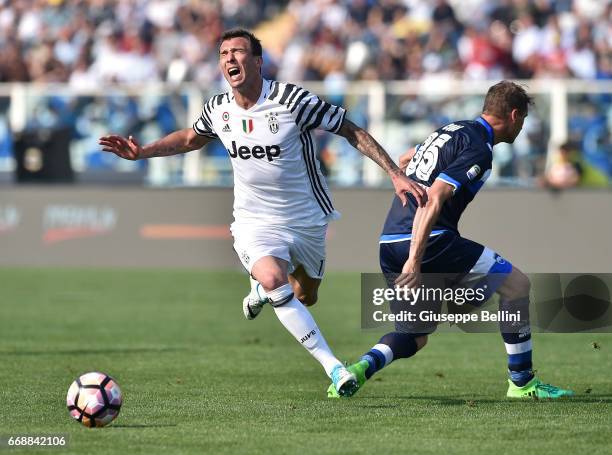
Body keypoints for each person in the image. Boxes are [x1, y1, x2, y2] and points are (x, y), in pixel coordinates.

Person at [99, 28, 426, 397]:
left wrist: (395, 174)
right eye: (223, 54)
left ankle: (260, 290)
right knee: (275, 280)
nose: (229, 60)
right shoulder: (218, 109)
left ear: (257, 61)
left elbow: (351, 131)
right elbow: (191, 137)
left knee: (306, 296)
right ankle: (334, 368)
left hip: (307, 219)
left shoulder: (292, 100)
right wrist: (143, 152)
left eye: (237, 52)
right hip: (254, 219)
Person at [328, 81, 574, 399]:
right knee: (517, 285)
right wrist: (415, 260)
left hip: (389, 241)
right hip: (428, 240)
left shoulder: (452, 129)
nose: (522, 127)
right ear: (514, 115)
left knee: (414, 336)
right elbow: (435, 198)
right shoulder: (479, 148)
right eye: (523, 120)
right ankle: (523, 383)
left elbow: (407, 158)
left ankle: (358, 369)